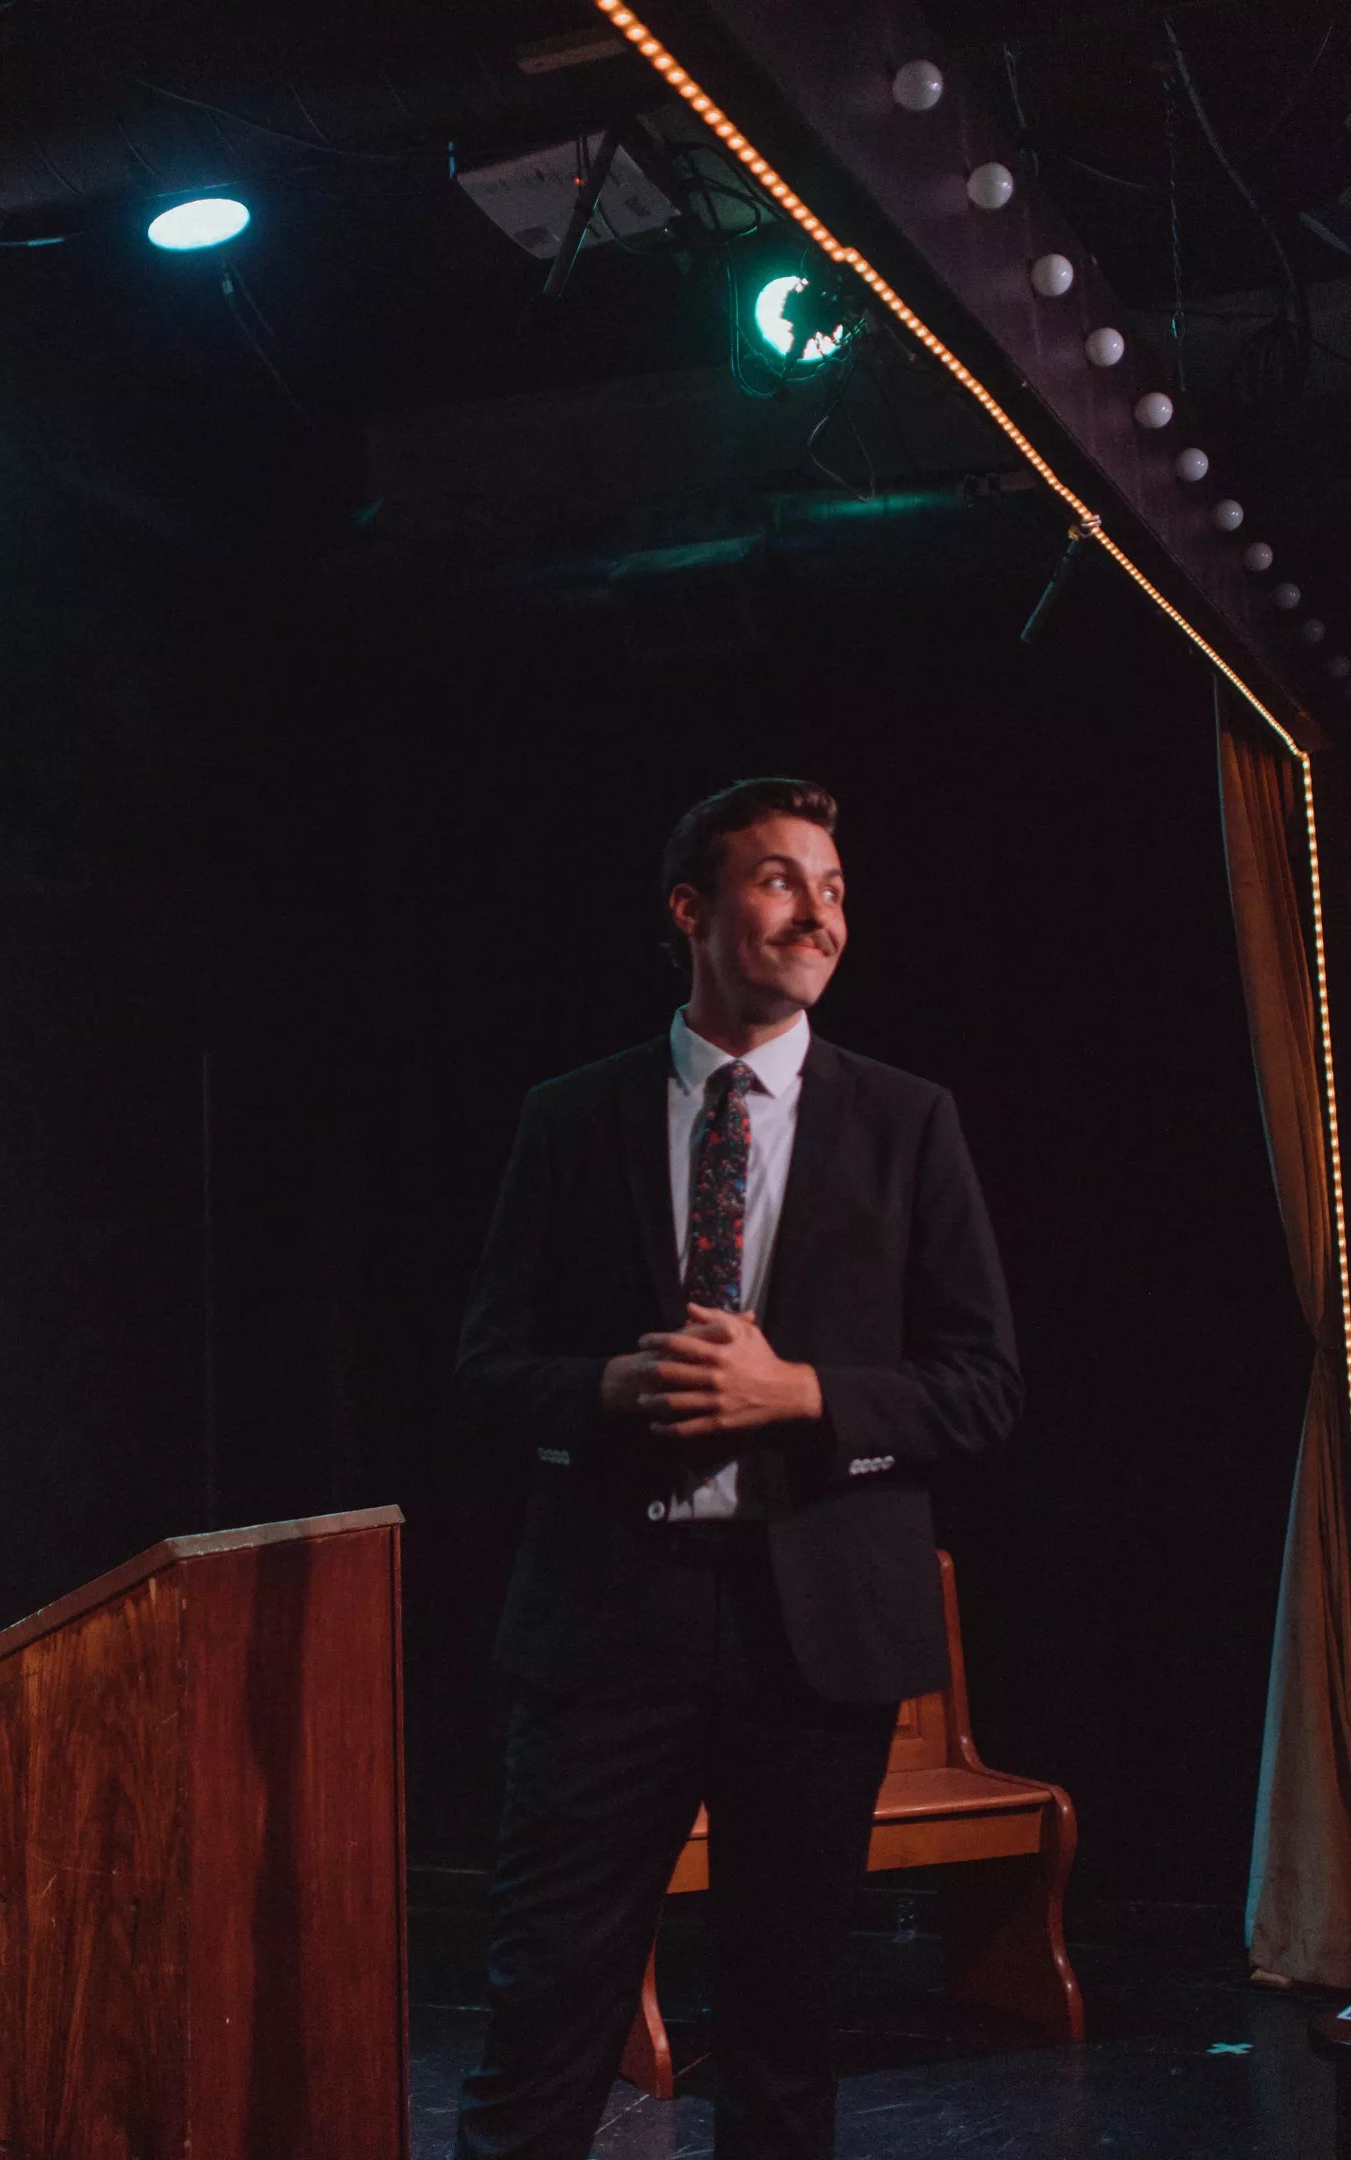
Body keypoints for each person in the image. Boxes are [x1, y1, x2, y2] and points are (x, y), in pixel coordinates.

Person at [447, 779, 1021, 2160]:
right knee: (544, 2022)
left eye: (831, 886)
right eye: (778, 880)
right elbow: (483, 1367)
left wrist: (802, 1394)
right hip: (605, 1627)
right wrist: (599, 1389)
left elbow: (985, 1387)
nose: (817, 910)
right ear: (691, 912)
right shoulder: (569, 1119)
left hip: (814, 1638)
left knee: (784, 2037)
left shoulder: (907, 1121)